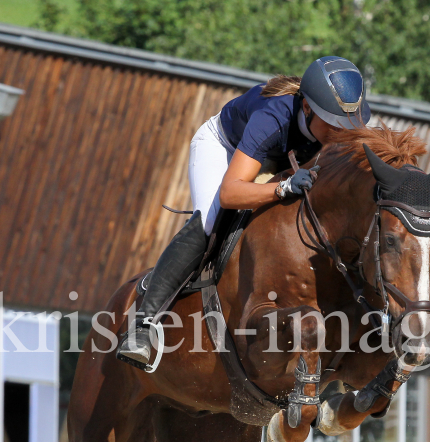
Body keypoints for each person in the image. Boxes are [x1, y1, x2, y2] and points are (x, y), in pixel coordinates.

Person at [117, 56, 371, 368]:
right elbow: (231, 192)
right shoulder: (273, 118)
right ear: (306, 108)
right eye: (334, 126)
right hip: (225, 150)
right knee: (209, 222)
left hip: (279, 160)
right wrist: (282, 188)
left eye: (348, 125)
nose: (342, 135)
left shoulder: (334, 126)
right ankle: (143, 324)